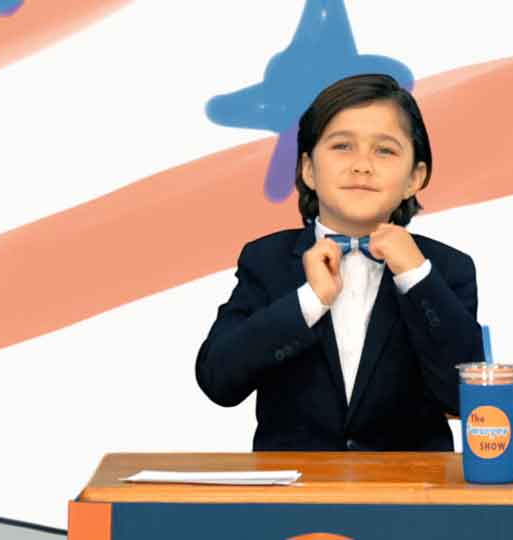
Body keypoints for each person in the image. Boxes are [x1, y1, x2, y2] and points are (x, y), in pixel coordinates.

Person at [196, 73, 484, 451]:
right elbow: (218, 380)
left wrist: (417, 278)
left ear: (415, 177)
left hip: (412, 501)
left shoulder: (446, 270)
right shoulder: (266, 261)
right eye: (342, 146)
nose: (362, 165)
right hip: (294, 497)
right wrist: (309, 300)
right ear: (308, 170)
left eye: (385, 150)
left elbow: (467, 400)